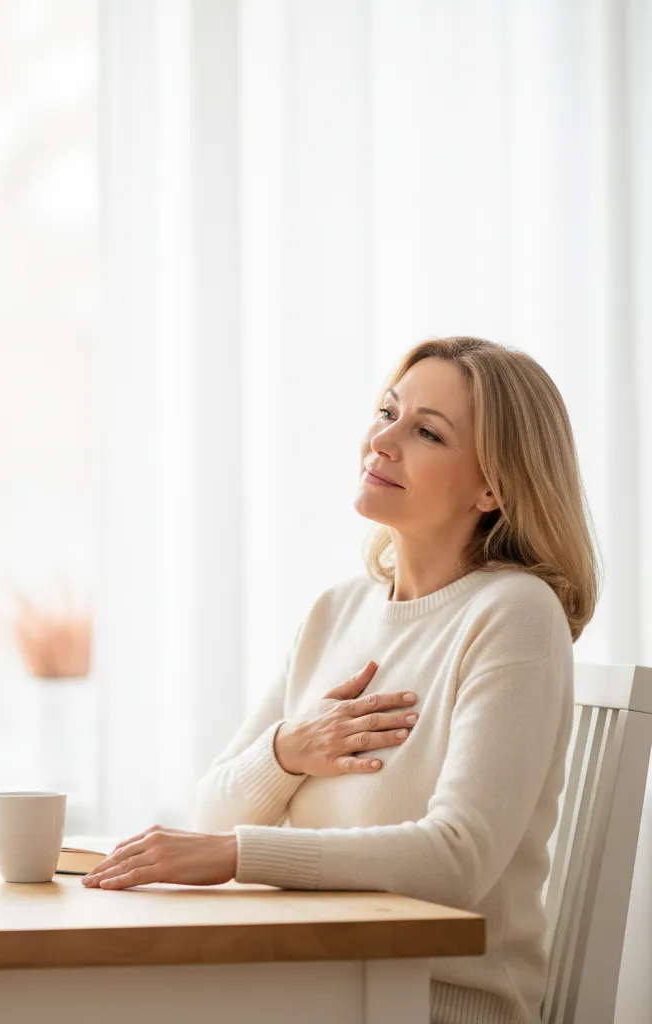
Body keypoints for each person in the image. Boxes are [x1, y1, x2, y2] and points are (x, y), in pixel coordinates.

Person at [81, 336, 600, 1024]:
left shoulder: (512, 615)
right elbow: (210, 812)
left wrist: (240, 854)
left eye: (426, 432)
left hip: (428, 1007)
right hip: (308, 991)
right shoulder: (338, 611)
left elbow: (457, 858)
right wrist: (287, 751)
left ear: (493, 486)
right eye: (387, 411)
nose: (382, 441)